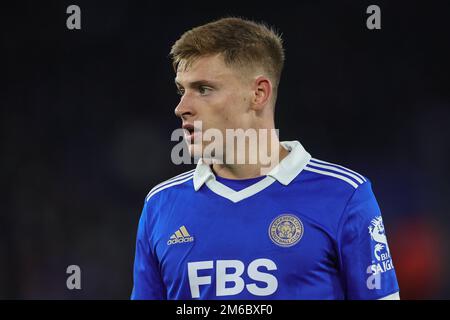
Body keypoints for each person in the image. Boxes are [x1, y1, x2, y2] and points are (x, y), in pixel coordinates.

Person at [131, 17, 400, 300]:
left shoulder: (345, 195)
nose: (181, 107)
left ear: (258, 94)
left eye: (203, 89)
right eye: (181, 90)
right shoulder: (161, 205)